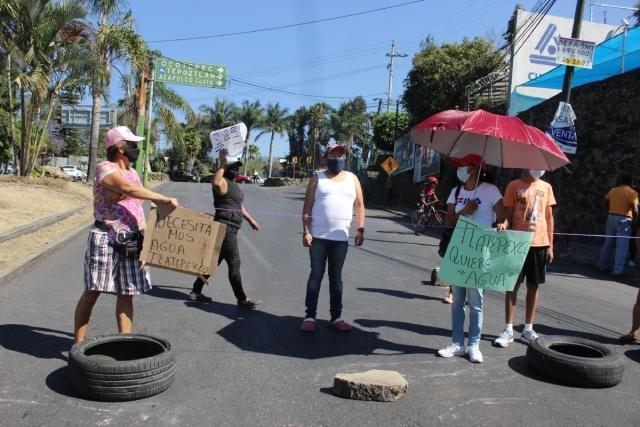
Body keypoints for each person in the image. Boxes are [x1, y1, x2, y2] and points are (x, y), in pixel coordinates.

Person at [73, 126, 179, 343]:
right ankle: (78, 343)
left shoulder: (133, 173)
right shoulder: (105, 169)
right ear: (120, 148)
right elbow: (127, 189)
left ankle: (125, 341)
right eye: (132, 145)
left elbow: (136, 206)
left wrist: (148, 239)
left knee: (127, 292)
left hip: (132, 239)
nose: (136, 148)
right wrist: (163, 198)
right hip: (107, 237)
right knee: (93, 291)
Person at [437, 154, 504, 363]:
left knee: (476, 301)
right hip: (459, 249)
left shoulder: (491, 190)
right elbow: (449, 221)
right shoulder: (455, 191)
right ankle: (457, 343)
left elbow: (503, 217)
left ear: (475, 168)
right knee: (457, 300)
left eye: (464, 166)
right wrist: (464, 211)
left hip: (479, 250)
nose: (460, 169)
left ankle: (474, 345)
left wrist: (502, 224)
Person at [300, 144, 365, 332]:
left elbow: (359, 206)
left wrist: (360, 229)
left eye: (341, 154)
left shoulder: (353, 179)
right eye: (334, 154)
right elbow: (307, 207)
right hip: (318, 237)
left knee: (336, 278)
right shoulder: (317, 178)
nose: (337, 157)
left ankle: (336, 317)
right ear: (327, 156)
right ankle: (310, 316)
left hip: (340, 239)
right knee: (316, 275)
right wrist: (306, 231)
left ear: (345, 157)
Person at [189, 151, 261, 307]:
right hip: (224, 227)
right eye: (233, 167)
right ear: (227, 168)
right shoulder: (222, 183)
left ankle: (196, 290)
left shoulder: (234, 185)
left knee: (214, 262)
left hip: (232, 227)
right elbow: (215, 182)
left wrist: (251, 220)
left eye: (237, 167)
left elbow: (238, 206)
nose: (237, 169)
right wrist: (223, 164)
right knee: (235, 263)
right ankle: (242, 299)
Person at [493, 169, 556, 348]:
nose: (539, 169)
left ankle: (528, 328)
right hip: (517, 243)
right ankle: (508, 329)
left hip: (539, 244)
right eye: (535, 164)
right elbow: (506, 216)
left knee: (533, 286)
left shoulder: (546, 187)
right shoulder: (514, 186)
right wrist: (502, 224)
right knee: (512, 286)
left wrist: (550, 245)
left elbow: (549, 218)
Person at [597, 174, 638, 275]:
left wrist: (608, 212)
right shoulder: (633, 193)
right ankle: (617, 270)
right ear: (631, 182)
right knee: (622, 246)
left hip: (611, 217)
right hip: (624, 219)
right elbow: (635, 207)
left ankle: (602, 265)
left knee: (608, 243)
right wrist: (635, 218)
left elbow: (604, 202)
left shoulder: (613, 190)